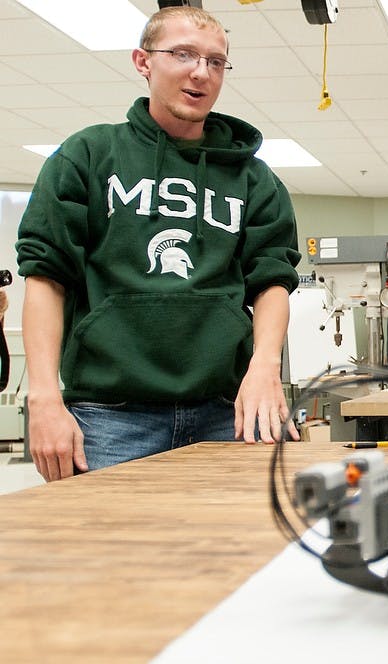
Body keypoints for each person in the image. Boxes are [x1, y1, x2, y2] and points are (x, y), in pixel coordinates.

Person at [16, 6, 301, 481]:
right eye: (183, 54)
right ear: (143, 62)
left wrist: (265, 367)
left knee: (234, 551)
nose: (200, 72)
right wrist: (43, 396)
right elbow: (47, 276)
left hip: (224, 411)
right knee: (110, 552)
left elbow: (272, 279)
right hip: (110, 417)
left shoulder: (253, 178)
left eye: (216, 61)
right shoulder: (87, 156)